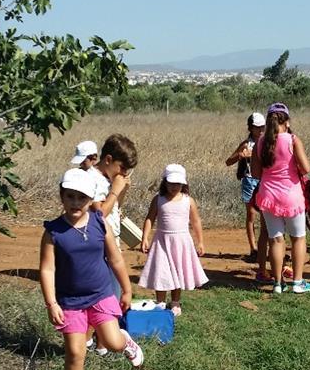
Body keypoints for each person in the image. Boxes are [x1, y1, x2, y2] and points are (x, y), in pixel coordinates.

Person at [39, 168, 144, 370]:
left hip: (100, 295)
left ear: (90, 199)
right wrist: (51, 303)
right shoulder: (53, 232)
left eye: (82, 198)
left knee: (113, 343)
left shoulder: (99, 221)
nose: (76, 203)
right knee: (75, 352)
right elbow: (47, 268)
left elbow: (116, 259)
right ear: (62, 197)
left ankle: (126, 341)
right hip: (70, 302)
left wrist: (127, 289)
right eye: (71, 196)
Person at [251, 103, 310, 294]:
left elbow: (255, 173)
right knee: (297, 238)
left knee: (276, 239)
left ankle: (278, 283)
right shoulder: (293, 140)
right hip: (291, 195)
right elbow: (306, 168)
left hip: (268, 195)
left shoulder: (260, 142)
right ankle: (298, 281)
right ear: (286, 122)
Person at [138, 163, 208, 315]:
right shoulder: (158, 199)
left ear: (184, 183)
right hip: (161, 241)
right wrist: (145, 237)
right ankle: (161, 302)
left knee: (178, 271)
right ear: (165, 182)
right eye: (171, 183)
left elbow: (196, 221)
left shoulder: (188, 200)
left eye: (178, 183)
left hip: (181, 242)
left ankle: (175, 301)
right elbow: (150, 218)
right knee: (161, 271)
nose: (175, 186)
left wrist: (200, 241)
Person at [89, 134, 138, 330]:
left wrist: (121, 191)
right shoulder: (91, 179)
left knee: (113, 290)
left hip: (112, 241)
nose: (123, 173)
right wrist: (116, 190)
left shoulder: (108, 179)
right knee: (104, 292)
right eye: (122, 168)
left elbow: (115, 208)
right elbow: (99, 214)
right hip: (99, 244)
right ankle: (99, 336)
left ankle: (105, 336)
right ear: (108, 160)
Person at [225, 112, 271, 281]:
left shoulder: (267, 142)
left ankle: (264, 247)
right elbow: (228, 161)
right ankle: (253, 249)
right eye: (257, 127)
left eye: (262, 127)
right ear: (250, 128)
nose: (260, 130)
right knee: (251, 214)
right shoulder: (246, 144)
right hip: (249, 181)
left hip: (264, 181)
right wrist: (240, 156)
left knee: (265, 216)